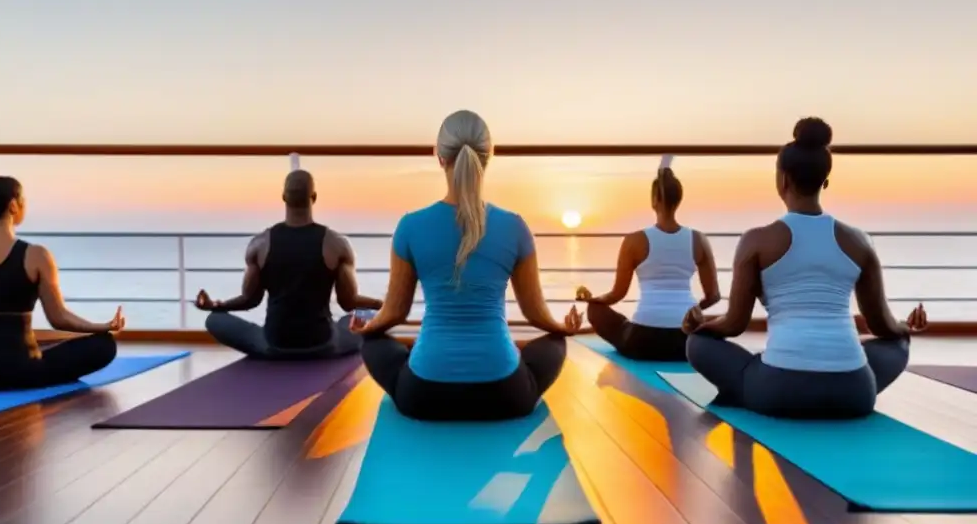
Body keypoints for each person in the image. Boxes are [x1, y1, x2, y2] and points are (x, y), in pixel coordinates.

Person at [682, 118, 927, 419]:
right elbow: (882, 326)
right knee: (896, 344)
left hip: (779, 391)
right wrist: (906, 327)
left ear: (782, 180)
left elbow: (734, 324)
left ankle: (745, 387)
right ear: (825, 181)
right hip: (854, 392)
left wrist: (700, 327)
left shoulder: (756, 240)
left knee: (698, 344)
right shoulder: (859, 242)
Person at [350, 110, 583, 421]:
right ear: (488, 158)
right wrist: (562, 329)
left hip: (423, 396)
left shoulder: (410, 226)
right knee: (554, 344)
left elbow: (395, 313)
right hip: (505, 395)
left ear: (439, 157)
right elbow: (534, 313)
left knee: (374, 343)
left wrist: (368, 328)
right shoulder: (515, 227)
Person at [0, 159, 122, 392]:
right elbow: (58, 316)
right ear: (13, 206)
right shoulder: (36, 255)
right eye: (23, 201)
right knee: (104, 345)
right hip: (19, 370)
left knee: (36, 343)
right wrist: (101, 326)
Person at [194, 169, 382, 359]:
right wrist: (383, 304)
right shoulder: (336, 244)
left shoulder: (260, 244)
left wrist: (215, 305)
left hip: (274, 345)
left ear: (284, 197)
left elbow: (250, 300)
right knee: (364, 317)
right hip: (323, 345)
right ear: (314, 197)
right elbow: (348, 302)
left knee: (214, 319)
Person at [575, 159, 720, 361]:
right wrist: (695, 309)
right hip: (686, 342)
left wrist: (593, 300)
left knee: (596, 311)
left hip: (642, 342)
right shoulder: (699, 240)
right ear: (679, 200)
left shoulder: (634, 241)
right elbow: (713, 296)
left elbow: (617, 294)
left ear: (654, 200)